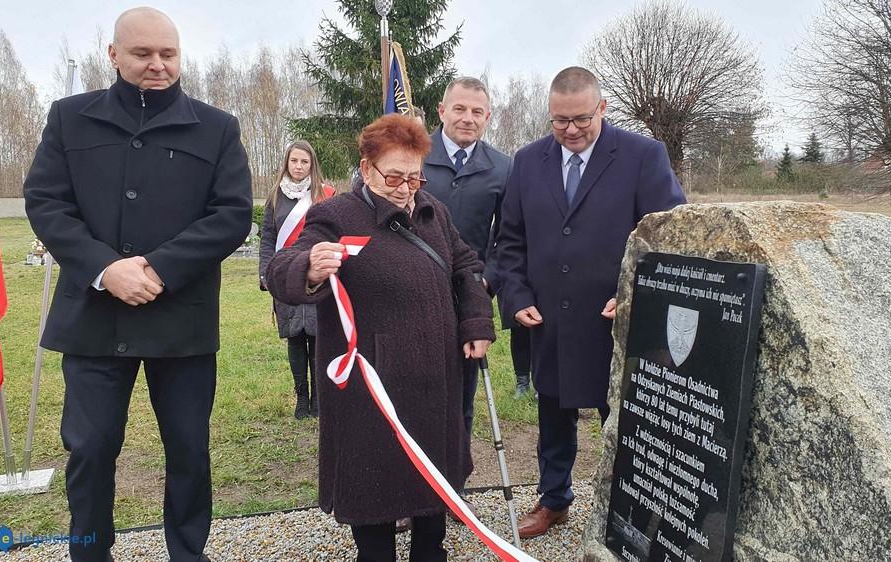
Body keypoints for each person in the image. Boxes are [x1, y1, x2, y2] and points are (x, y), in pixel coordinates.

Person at [23, 8, 252, 562]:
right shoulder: (70, 119)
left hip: (181, 319)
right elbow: (47, 202)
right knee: (91, 450)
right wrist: (106, 269)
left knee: (189, 452)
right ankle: (89, 552)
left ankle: (188, 554)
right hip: (94, 318)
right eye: (143, 53)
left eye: (168, 54)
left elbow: (231, 214)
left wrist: (158, 269)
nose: (157, 65)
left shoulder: (217, 127)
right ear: (113, 54)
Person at [265, 114, 495, 561]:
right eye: (394, 177)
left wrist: (476, 321)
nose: (406, 189)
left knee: (433, 478)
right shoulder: (335, 214)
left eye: (414, 177)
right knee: (373, 482)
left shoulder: (433, 211)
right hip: (370, 383)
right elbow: (282, 267)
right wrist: (309, 266)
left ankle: (431, 553)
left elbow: (466, 266)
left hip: (435, 375)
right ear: (367, 169)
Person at [496, 66, 686, 538]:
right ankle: (554, 500)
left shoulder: (643, 155)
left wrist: (636, 294)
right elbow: (510, 242)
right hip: (549, 320)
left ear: (602, 108)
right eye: (560, 120)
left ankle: (634, 509)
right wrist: (516, 296)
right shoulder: (528, 161)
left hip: (615, 321)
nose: (571, 130)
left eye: (582, 118)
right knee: (552, 417)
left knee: (624, 421)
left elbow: (670, 237)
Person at [423, 76, 511, 440]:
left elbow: (509, 237)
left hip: (468, 297)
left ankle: (456, 470)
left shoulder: (503, 168)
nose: (467, 118)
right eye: (459, 109)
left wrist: (487, 280)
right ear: (442, 111)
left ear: (488, 117)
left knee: (461, 399)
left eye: (477, 112)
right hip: (413, 291)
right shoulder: (414, 155)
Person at [259, 141, 334, 419]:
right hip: (286, 276)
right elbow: (268, 238)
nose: (299, 166)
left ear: (312, 165)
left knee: (317, 337)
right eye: (294, 161)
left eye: (304, 162)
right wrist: (266, 273)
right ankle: (301, 398)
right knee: (295, 338)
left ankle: (318, 400)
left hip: (316, 276)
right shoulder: (275, 197)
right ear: (287, 163)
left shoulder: (325, 195)